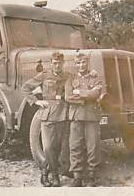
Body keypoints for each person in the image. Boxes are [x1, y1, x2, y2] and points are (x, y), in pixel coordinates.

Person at [22, 52, 70, 187]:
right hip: (47, 114)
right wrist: (36, 102)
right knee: (48, 147)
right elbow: (25, 88)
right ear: (51, 63)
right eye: (55, 63)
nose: (57, 65)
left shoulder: (67, 76)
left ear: (63, 63)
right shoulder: (44, 75)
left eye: (60, 63)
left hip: (62, 115)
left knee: (58, 147)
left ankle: (44, 173)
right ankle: (54, 176)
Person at [65, 53, 103, 187]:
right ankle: (77, 177)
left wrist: (79, 93)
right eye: (78, 63)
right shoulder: (71, 78)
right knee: (75, 146)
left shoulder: (95, 77)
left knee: (93, 146)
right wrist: (87, 96)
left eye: (83, 63)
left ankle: (92, 176)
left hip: (91, 116)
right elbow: (68, 96)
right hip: (76, 116)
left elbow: (96, 93)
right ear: (75, 64)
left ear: (87, 63)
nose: (81, 65)